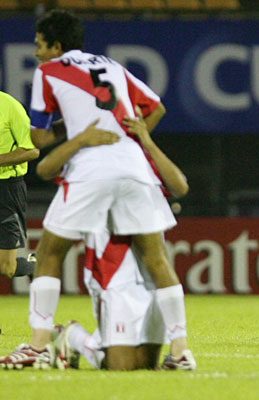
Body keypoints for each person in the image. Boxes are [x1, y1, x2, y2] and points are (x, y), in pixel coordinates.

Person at [0, 9, 195, 370]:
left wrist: (75, 132)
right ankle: (182, 351)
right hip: (134, 166)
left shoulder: (48, 71)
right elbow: (156, 108)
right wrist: (132, 135)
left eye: (40, 45)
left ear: (56, 46)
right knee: (157, 260)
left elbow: (39, 139)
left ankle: (40, 346)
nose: (37, 53)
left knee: (49, 254)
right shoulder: (112, 66)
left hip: (90, 169)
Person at [34, 109, 193, 371]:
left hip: (156, 279)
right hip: (114, 270)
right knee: (120, 367)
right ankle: (72, 336)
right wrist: (80, 139)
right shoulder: (91, 158)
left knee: (144, 364)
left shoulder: (138, 160)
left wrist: (147, 141)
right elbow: (46, 168)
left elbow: (180, 187)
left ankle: (174, 351)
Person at [0, 91, 40, 280]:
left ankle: (37, 265)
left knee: (7, 268)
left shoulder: (10, 106)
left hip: (6, 188)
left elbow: (32, 150)